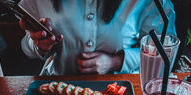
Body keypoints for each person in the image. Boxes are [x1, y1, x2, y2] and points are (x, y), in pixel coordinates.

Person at [19, 0, 176, 76]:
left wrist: (117, 61)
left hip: (123, 92)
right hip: (58, 90)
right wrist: (39, 44)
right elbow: (27, 47)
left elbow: (165, 53)